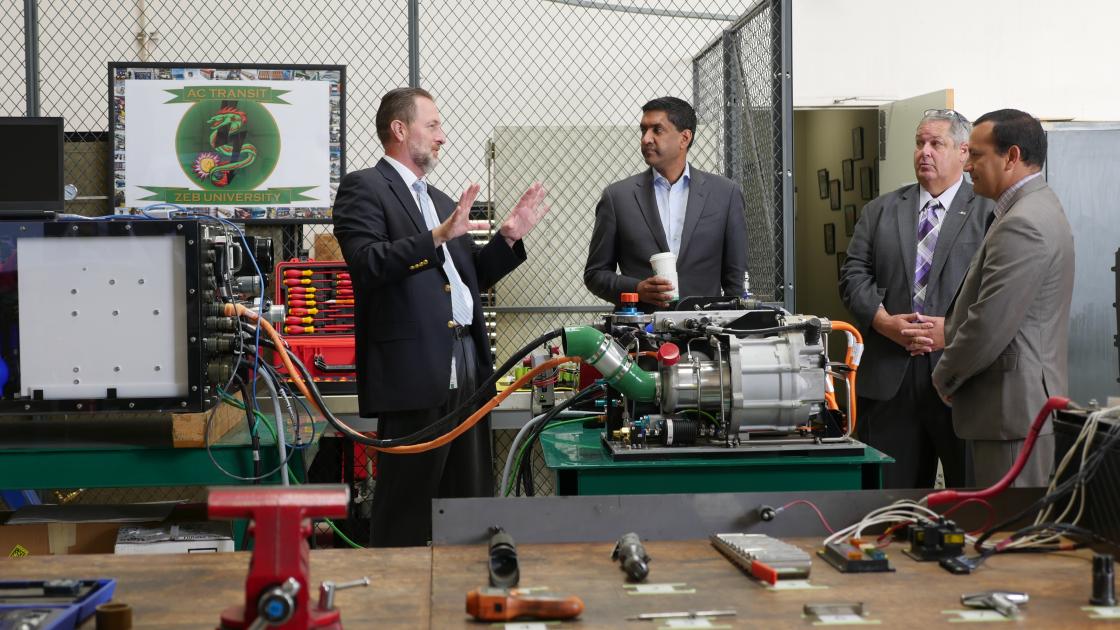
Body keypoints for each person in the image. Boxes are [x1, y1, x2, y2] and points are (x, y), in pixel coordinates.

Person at [332, 87, 550, 546]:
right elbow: (368, 263)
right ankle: (398, 601)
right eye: (432, 125)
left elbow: (470, 279)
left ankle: (462, 594)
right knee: (408, 501)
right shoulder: (365, 187)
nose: (442, 136)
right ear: (399, 129)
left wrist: (508, 239)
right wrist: (434, 236)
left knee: (469, 495)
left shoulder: (442, 199)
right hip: (415, 368)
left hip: (468, 360)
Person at [840, 110, 993, 488]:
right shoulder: (881, 210)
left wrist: (953, 332)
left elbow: (995, 290)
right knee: (889, 500)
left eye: (935, 144)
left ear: (963, 152)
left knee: (967, 497)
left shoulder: (990, 212)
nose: (924, 152)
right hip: (890, 376)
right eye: (920, 143)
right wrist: (882, 321)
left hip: (958, 377)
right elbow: (853, 275)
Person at [931, 109, 1075, 487]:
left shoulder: (1023, 222)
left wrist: (945, 376)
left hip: (1011, 411)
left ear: (1011, 156)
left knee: (1006, 532)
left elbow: (989, 323)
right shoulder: (1033, 207)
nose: (967, 166)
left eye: (976, 155)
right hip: (1012, 409)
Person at [584, 97, 748, 311]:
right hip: (640, 334)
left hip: (704, 334)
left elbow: (736, 280)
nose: (646, 139)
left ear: (684, 138)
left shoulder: (725, 194)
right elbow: (595, 274)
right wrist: (637, 289)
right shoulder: (617, 198)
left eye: (657, 130)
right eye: (643, 130)